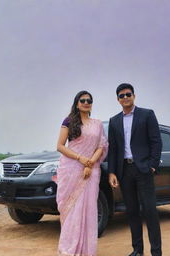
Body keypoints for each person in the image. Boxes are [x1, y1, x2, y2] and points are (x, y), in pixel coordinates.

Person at [108, 83, 162, 256]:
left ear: (134, 96)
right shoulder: (114, 121)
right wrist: (112, 172)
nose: (125, 98)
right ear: (118, 100)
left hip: (143, 169)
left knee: (150, 211)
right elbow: (113, 149)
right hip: (125, 171)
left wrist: (152, 165)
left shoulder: (147, 114)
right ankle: (137, 250)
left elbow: (156, 141)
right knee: (131, 212)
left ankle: (156, 252)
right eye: (122, 96)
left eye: (128, 94)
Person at [55, 90, 108, 256]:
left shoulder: (97, 124)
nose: (86, 102)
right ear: (77, 103)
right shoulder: (69, 121)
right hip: (71, 168)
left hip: (91, 170)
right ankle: (69, 249)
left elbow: (102, 146)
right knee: (71, 209)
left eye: (89, 100)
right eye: (83, 100)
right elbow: (60, 146)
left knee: (89, 208)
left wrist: (90, 163)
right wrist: (81, 159)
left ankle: (87, 250)